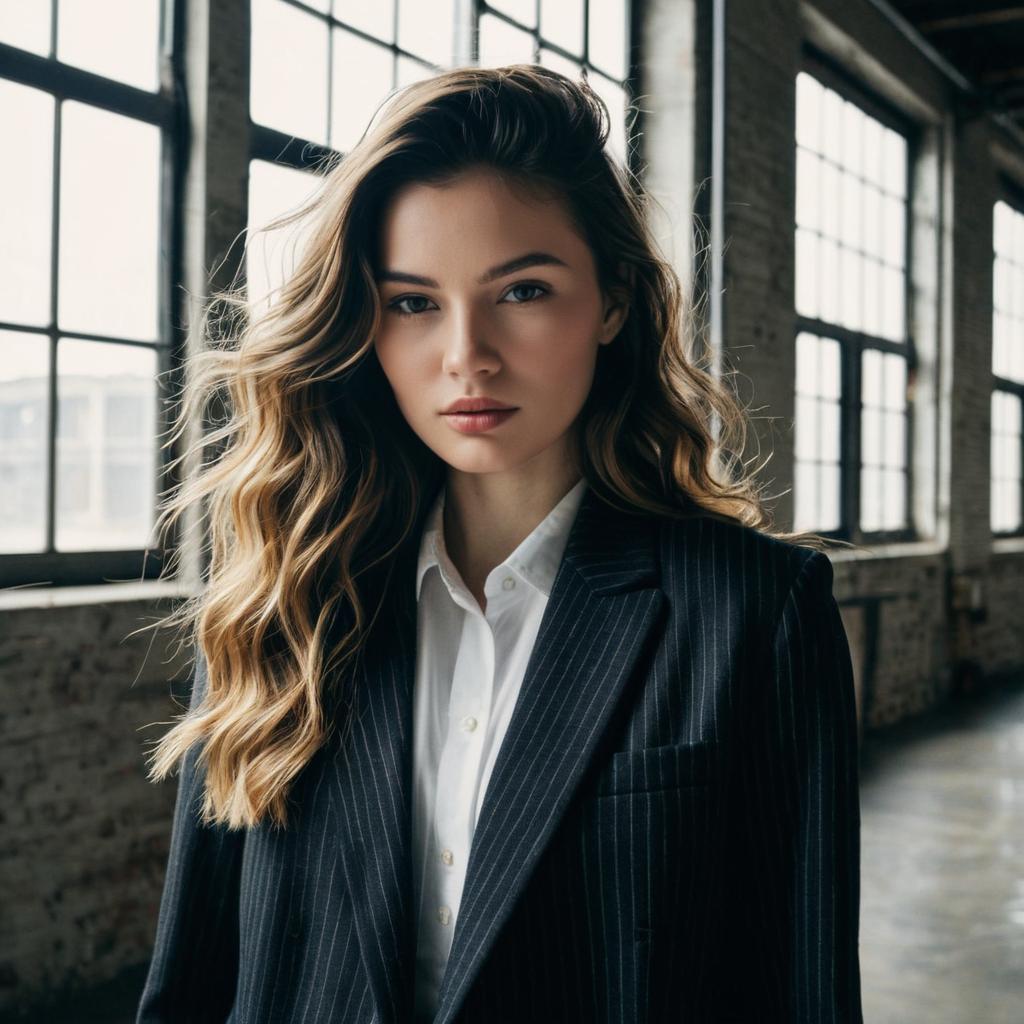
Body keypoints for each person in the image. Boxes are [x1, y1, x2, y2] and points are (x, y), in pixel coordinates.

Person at [135, 63, 863, 1023]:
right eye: (412, 302)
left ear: (610, 302)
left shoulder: (757, 612)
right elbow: (192, 979)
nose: (466, 353)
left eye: (521, 290)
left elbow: (800, 993)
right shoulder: (284, 594)